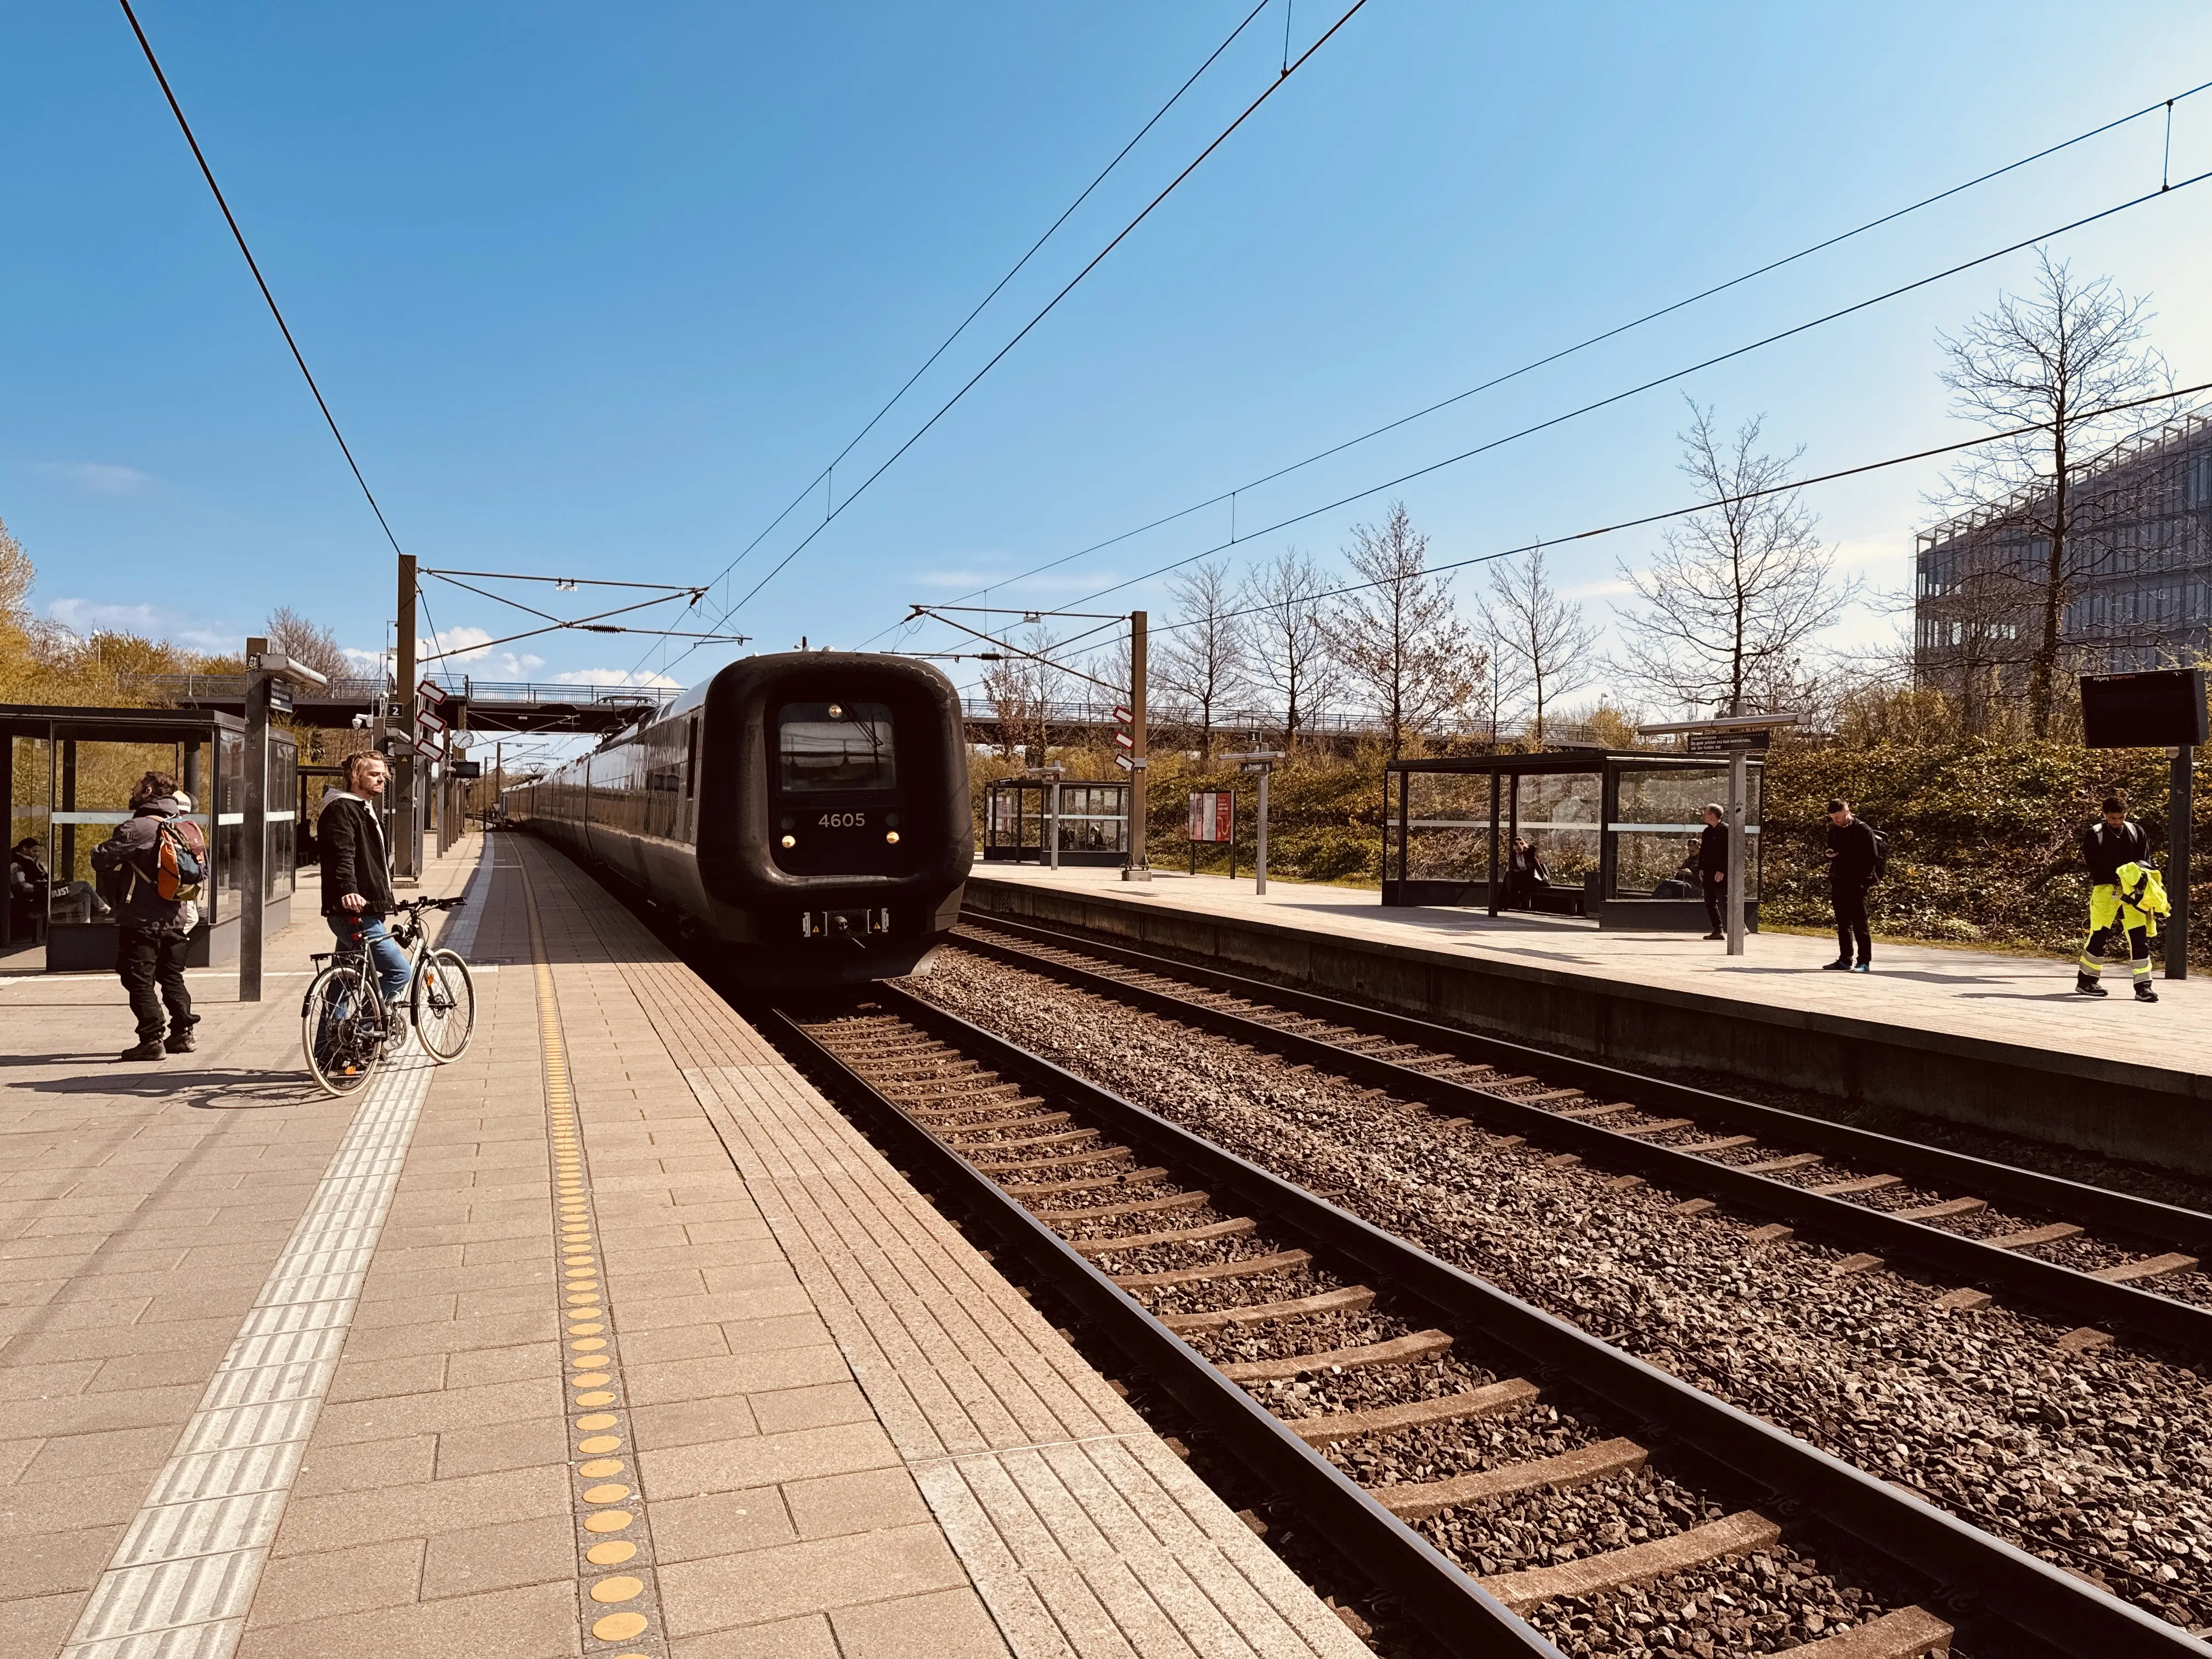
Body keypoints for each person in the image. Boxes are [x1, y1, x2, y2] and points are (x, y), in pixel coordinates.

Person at [88, 774, 200, 1060]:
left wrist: (97, 850)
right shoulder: (184, 826)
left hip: (141, 920)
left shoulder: (138, 827)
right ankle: (183, 1034)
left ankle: (151, 1039)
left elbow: (102, 859)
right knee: (172, 976)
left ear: (148, 791)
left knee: (138, 978)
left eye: (136, 787)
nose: (132, 790)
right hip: (176, 917)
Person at [319, 752, 411, 1028]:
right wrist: (348, 889)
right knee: (399, 972)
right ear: (355, 777)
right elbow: (342, 852)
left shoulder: (363, 808)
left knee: (344, 982)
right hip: (356, 910)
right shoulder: (342, 809)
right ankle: (361, 1032)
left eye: (384, 774)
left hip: (365, 908)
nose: (382, 779)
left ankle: (329, 1050)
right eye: (374, 774)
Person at [2076, 793, 2158, 1002]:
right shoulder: (2095, 834)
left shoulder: (2136, 831)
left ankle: (2144, 987)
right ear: (2105, 816)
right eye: (2113, 818)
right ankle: (2086, 981)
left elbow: (2145, 860)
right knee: (2099, 935)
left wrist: (2136, 877)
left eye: (2120, 818)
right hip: (2106, 889)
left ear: (2126, 814)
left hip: (2132, 892)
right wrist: (2119, 875)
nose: (2117, 822)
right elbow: (2093, 864)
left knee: (2139, 937)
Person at [1822, 798, 1879, 973]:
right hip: (1839, 879)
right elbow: (1831, 848)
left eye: (1838, 817)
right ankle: (1845, 960)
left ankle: (1864, 962)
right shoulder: (1834, 830)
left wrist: (1863, 880)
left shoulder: (1863, 830)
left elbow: (1872, 857)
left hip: (1857, 882)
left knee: (1859, 923)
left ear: (1847, 812)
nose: (1835, 821)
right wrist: (1830, 854)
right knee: (1843, 922)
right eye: (1832, 817)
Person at [1697, 804, 1729, 941]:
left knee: (1724, 900)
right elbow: (1703, 851)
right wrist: (1701, 868)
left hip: (1720, 873)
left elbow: (1728, 852)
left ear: (1713, 815)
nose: (1703, 815)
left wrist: (1721, 870)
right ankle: (1718, 930)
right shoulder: (1707, 831)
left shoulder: (1725, 830)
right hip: (1708, 871)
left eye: (1706, 813)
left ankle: (1740, 927)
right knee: (1710, 901)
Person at [1505, 836, 1550, 909]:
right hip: (1520, 875)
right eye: (1516, 850)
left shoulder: (1529, 853)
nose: (1518, 851)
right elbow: (1512, 866)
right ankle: (1508, 901)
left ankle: (1508, 902)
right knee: (1509, 876)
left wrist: (1543, 876)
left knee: (1510, 880)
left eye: (1520, 849)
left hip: (1529, 876)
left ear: (1523, 846)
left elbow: (1537, 865)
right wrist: (1516, 869)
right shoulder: (1513, 855)